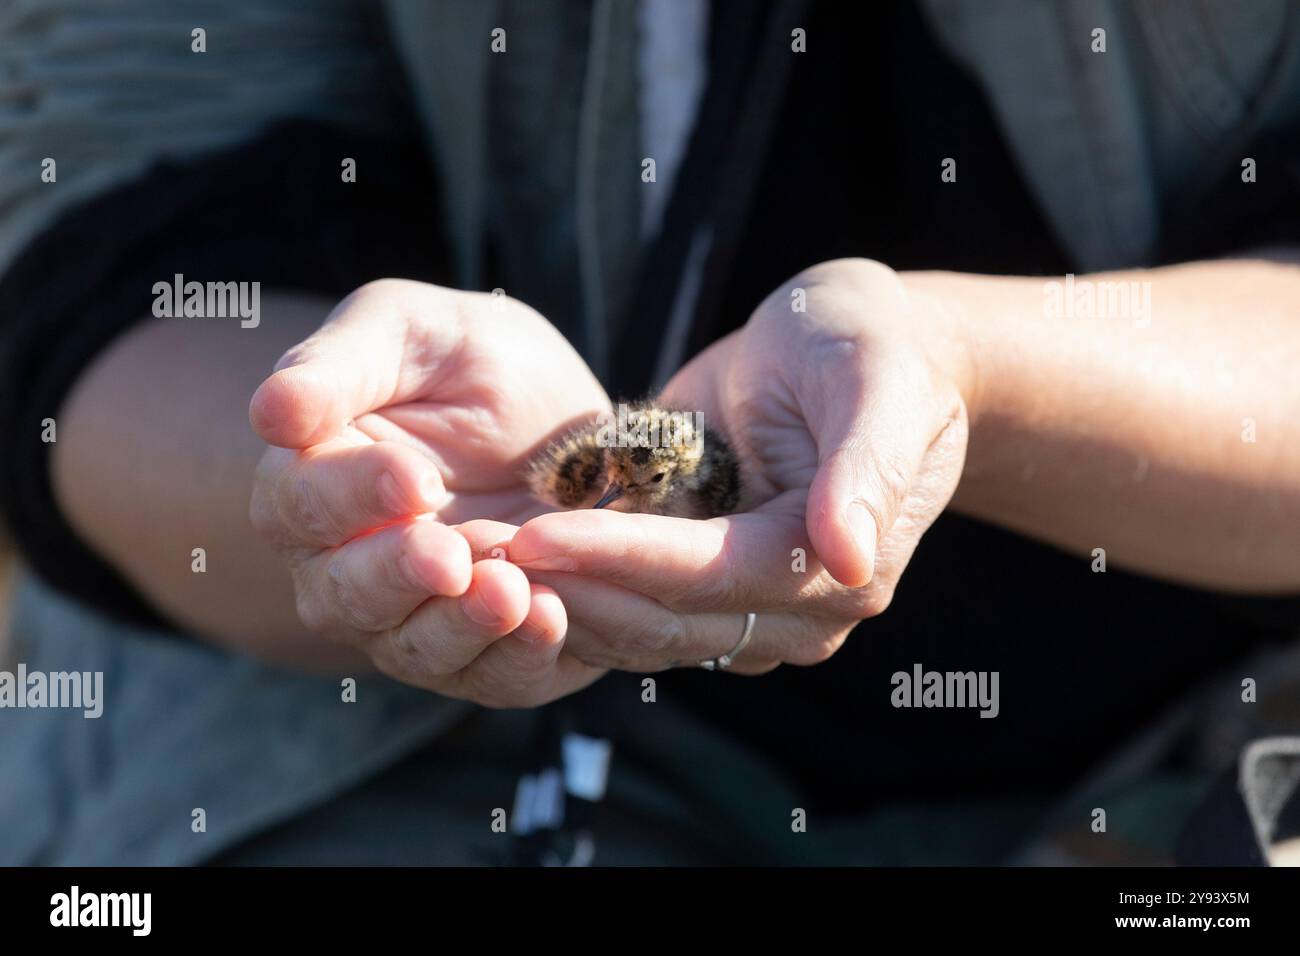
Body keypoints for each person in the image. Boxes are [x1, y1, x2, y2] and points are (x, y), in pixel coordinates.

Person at [2, 0, 1299, 865]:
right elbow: (91, 267)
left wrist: (969, 371)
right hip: (386, 759)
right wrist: (345, 484)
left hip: (1209, 737)